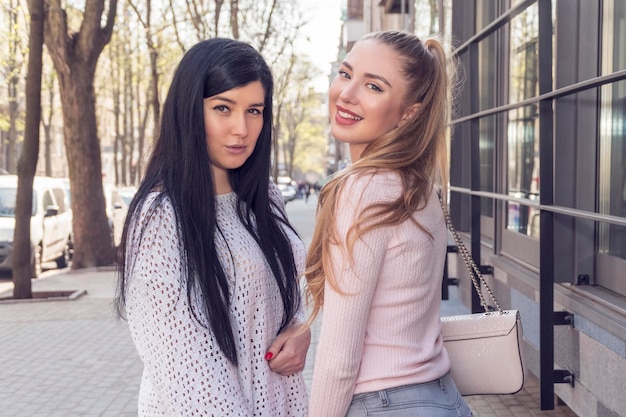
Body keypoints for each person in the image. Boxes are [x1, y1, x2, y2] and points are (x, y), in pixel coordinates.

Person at [115, 38, 309, 416]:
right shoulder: (161, 218)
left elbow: (281, 297)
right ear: (188, 110)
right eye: (223, 108)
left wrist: (300, 330)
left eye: (255, 110)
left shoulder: (264, 198)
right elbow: (187, 371)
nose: (242, 128)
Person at [305, 30, 473, 417]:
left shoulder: (363, 189)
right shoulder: (418, 186)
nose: (346, 95)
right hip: (442, 398)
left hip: (385, 402)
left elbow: (340, 354)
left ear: (408, 112)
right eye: (345, 74)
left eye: (374, 86)